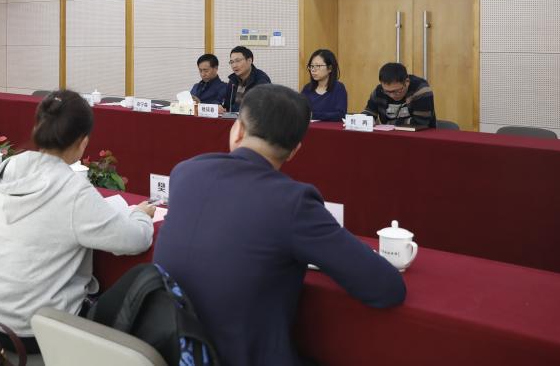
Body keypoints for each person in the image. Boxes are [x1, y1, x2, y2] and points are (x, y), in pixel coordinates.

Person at [153, 85, 406, 366]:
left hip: (170, 350)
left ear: (238, 131)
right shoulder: (293, 201)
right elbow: (386, 288)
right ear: (295, 151)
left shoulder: (186, 172)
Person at [0, 90, 155, 354]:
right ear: (83, 142)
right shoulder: (72, 190)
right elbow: (135, 239)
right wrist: (139, 214)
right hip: (37, 331)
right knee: (144, 286)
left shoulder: (11, 168)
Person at [363, 62, 436, 129]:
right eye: (387, 91)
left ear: (407, 82)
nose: (392, 95)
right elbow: (368, 114)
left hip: (420, 136)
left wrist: (388, 124)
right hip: (390, 135)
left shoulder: (420, 89)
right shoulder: (379, 91)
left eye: (397, 91)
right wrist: (367, 120)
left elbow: (420, 123)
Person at [301, 49, 348, 121]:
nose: (313, 70)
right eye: (311, 66)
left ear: (330, 68)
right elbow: (300, 110)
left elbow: (340, 114)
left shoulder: (339, 88)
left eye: (318, 66)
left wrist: (313, 115)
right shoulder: (307, 88)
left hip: (331, 127)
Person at [222, 45, 271, 113]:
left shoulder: (261, 81)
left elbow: (261, 109)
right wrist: (222, 109)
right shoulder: (233, 81)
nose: (234, 65)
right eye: (232, 62)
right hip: (235, 118)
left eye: (238, 61)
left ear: (249, 61)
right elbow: (227, 107)